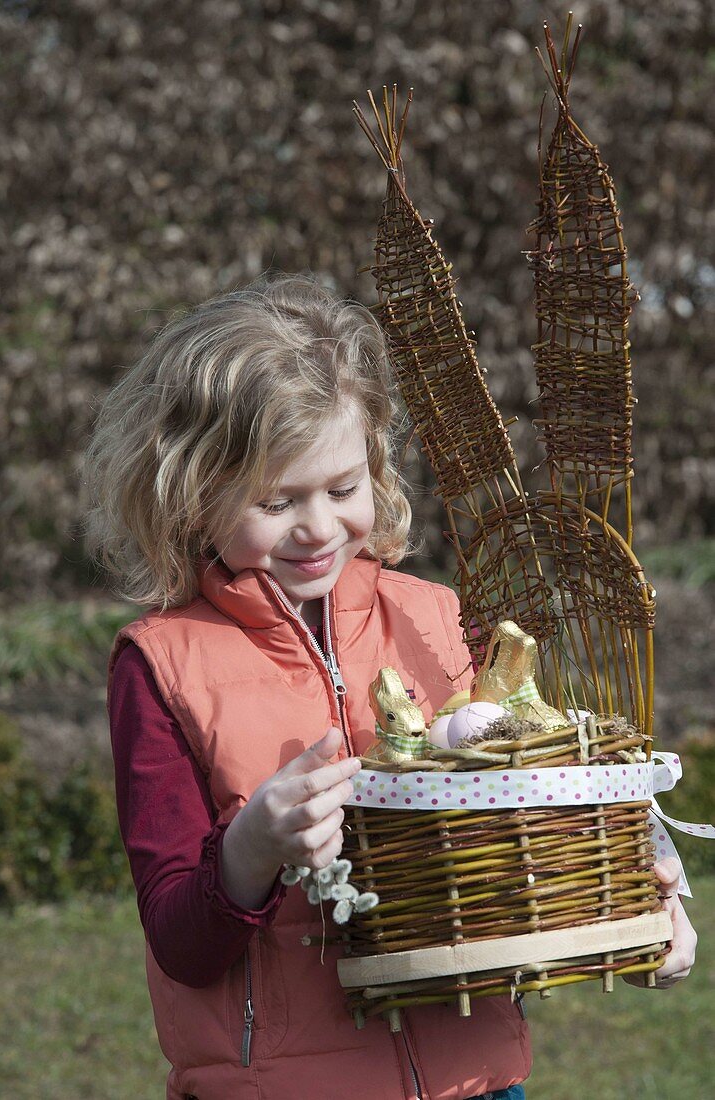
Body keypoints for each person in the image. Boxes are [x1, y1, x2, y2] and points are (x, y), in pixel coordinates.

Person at [87, 274, 696, 1100]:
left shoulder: (438, 622)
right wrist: (251, 849)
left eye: (343, 488)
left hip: (476, 1083)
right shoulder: (163, 664)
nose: (318, 526)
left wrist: (636, 901)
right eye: (276, 500)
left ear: (375, 463)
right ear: (192, 493)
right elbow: (180, 940)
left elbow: (528, 814)